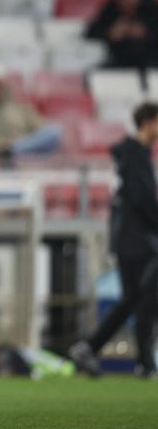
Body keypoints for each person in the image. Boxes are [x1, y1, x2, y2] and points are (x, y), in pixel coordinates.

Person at [70, 103, 158, 381]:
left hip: (131, 239)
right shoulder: (134, 155)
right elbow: (141, 199)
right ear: (148, 122)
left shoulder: (134, 155)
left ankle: (89, 347)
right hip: (138, 240)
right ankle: (144, 363)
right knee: (146, 299)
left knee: (134, 299)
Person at [0, 62, 62, 156]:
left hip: (26, 152)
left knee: (54, 132)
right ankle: (13, 150)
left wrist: (19, 143)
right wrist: (0, 144)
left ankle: (15, 149)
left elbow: (40, 131)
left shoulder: (21, 108)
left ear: (4, 85)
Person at [85, 0, 158, 71]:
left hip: (150, 61)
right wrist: (110, 33)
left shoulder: (151, 7)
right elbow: (90, 32)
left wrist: (145, 33)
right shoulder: (112, 7)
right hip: (118, 60)